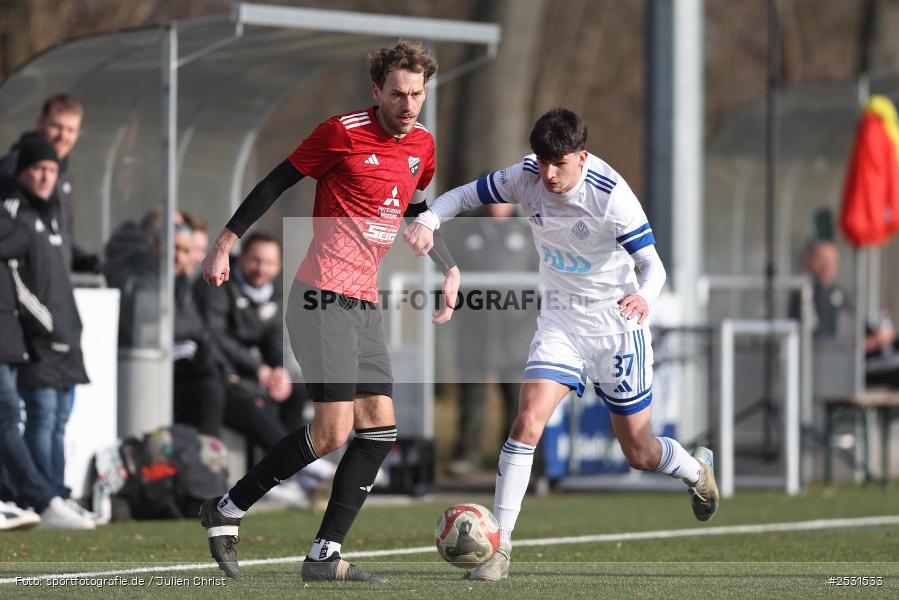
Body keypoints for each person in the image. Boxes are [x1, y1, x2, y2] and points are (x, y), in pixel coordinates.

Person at [405, 108, 719, 580]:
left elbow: (653, 266)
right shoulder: (526, 176)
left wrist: (643, 298)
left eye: (560, 163)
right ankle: (500, 550)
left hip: (617, 327)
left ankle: (696, 471)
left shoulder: (611, 196)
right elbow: (467, 194)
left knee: (638, 452)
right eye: (543, 161)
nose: (549, 173)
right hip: (561, 323)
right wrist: (429, 219)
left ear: (582, 157)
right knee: (527, 421)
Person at [197, 40, 458, 582]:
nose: (408, 105)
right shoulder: (341, 132)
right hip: (321, 297)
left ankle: (323, 556)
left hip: (363, 303)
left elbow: (416, 209)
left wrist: (448, 266)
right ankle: (227, 507)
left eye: (417, 94)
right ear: (376, 91)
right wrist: (225, 242)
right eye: (398, 94)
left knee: (379, 429)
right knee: (333, 431)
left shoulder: (423, 145)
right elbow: (276, 180)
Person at [0, 135, 93, 526]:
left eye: (51, 170)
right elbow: (19, 281)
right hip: (37, 335)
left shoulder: (50, 212)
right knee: (36, 417)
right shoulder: (15, 213)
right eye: (37, 168)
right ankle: (40, 497)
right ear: (21, 170)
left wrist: (70, 326)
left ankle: (53, 493)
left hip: (62, 334)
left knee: (55, 421)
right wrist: (49, 325)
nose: (44, 176)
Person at [443, 204, 538, 476]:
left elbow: (543, 278)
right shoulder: (465, 229)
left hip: (517, 331)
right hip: (476, 329)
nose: (498, 204)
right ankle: (468, 456)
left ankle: (516, 460)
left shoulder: (530, 231)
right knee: (473, 397)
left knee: (518, 400)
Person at [0, 94, 98, 273]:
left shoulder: (63, 174)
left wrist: (79, 259)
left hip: (55, 278)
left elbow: (60, 232)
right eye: (56, 127)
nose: (63, 136)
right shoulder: (15, 165)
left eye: (71, 130)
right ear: (40, 124)